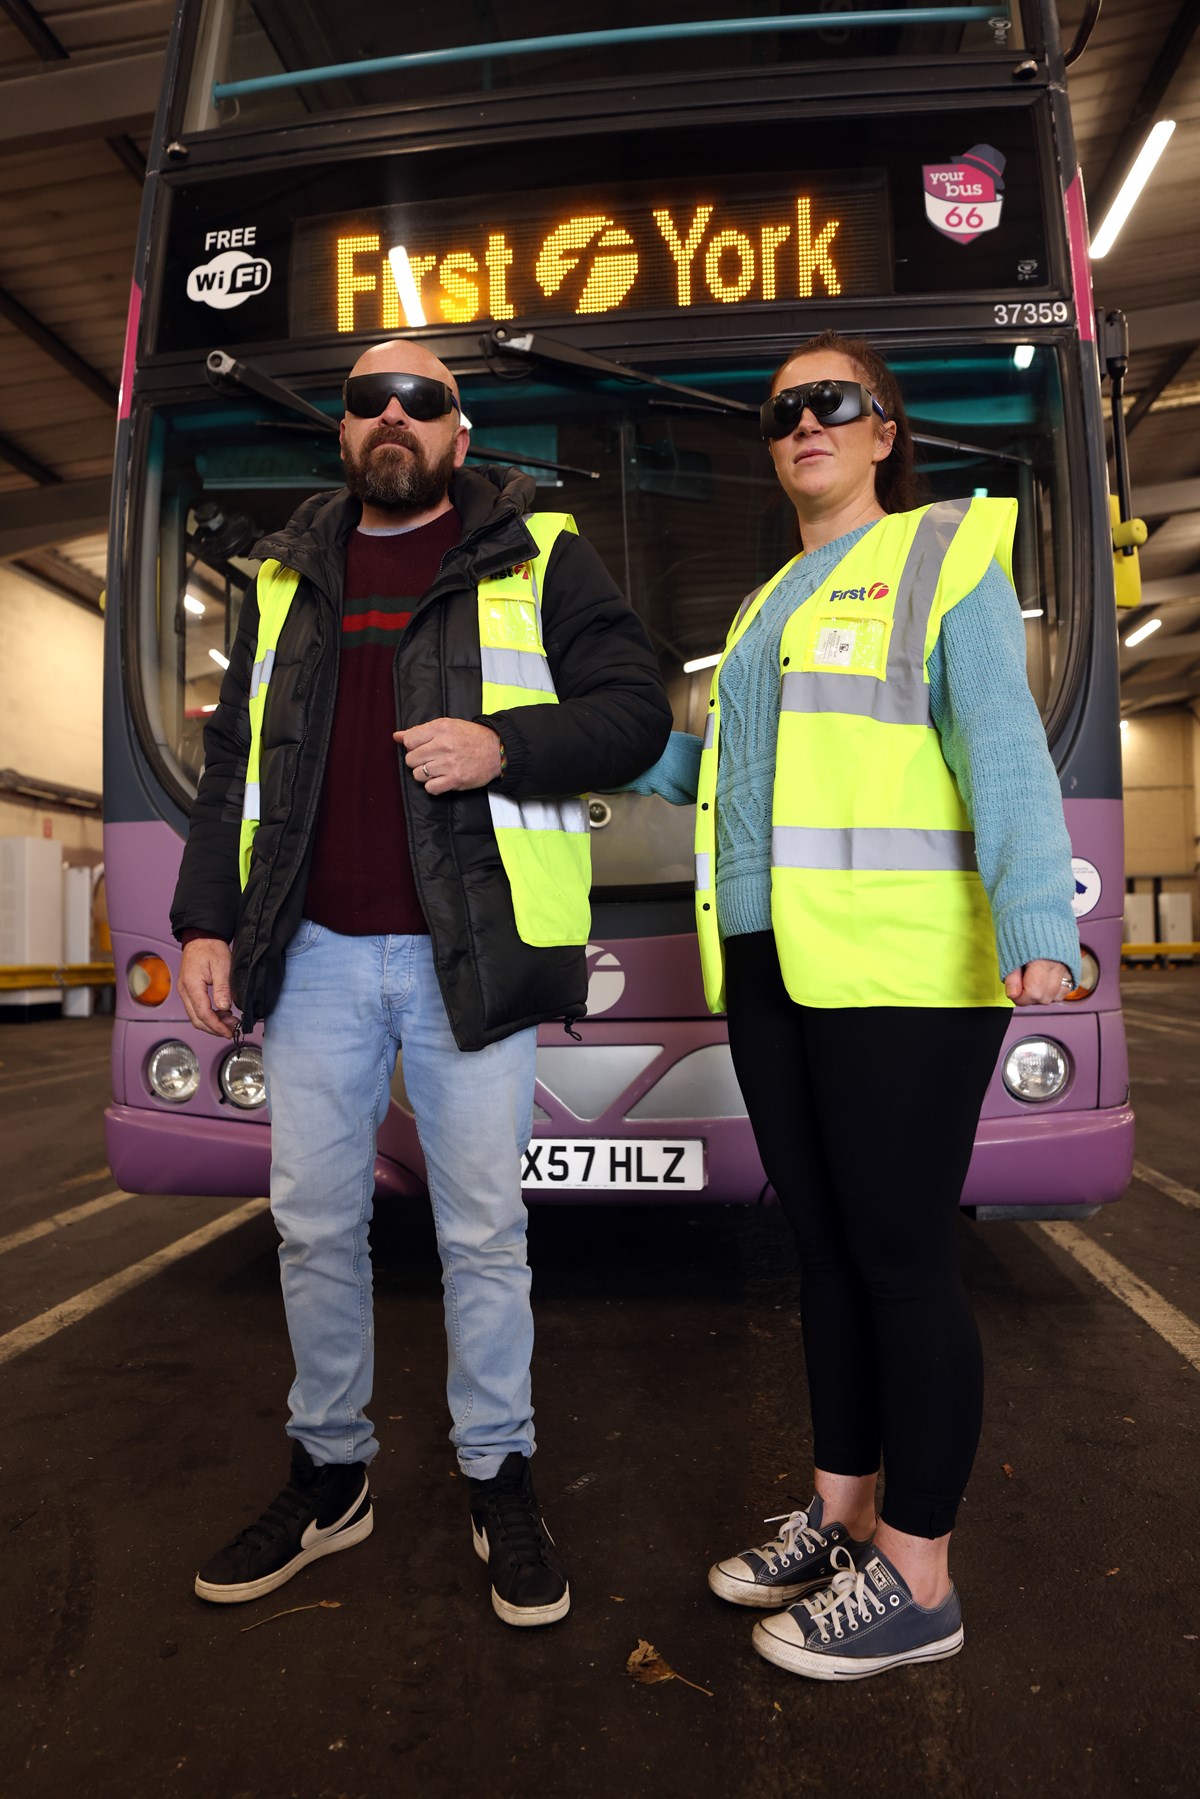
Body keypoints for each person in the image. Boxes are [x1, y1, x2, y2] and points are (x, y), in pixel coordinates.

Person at [171, 338, 671, 1626]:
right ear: (342, 432)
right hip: (317, 951)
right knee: (316, 1228)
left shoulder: (539, 551)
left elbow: (636, 711)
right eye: (367, 399)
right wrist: (207, 923)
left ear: (461, 428)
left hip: (472, 953)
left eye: (425, 399)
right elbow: (237, 768)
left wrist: (505, 743)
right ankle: (332, 1473)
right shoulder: (287, 579)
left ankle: (499, 1472)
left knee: (481, 1236)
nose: (395, 415)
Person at [629, 330, 1079, 1679]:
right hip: (772, 960)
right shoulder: (768, 603)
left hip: (899, 970)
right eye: (779, 412)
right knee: (822, 1254)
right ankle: (842, 1513)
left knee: (900, 1259)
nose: (802, 423)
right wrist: (595, 739)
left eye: (831, 403)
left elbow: (1000, 744)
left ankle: (921, 1576)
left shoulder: (944, 559)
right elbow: (729, 772)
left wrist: (1039, 925)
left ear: (885, 430)